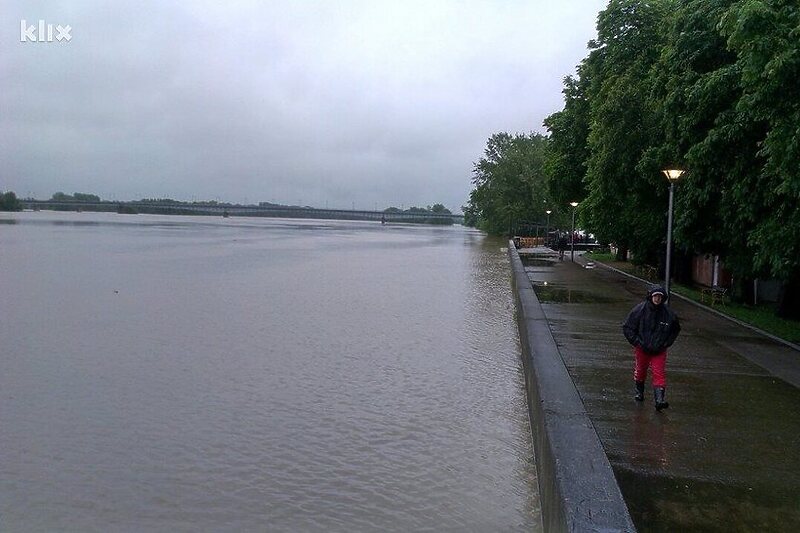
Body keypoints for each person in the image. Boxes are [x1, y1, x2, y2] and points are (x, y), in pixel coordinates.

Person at [622, 285, 681, 411]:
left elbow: (675, 329)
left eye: (660, 297)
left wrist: (666, 343)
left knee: (659, 373)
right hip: (642, 348)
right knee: (640, 370)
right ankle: (639, 392)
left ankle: (659, 400)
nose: (657, 299)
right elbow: (627, 327)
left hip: (659, 350)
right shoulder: (640, 310)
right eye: (655, 296)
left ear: (663, 298)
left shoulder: (668, 314)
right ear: (651, 296)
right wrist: (636, 342)